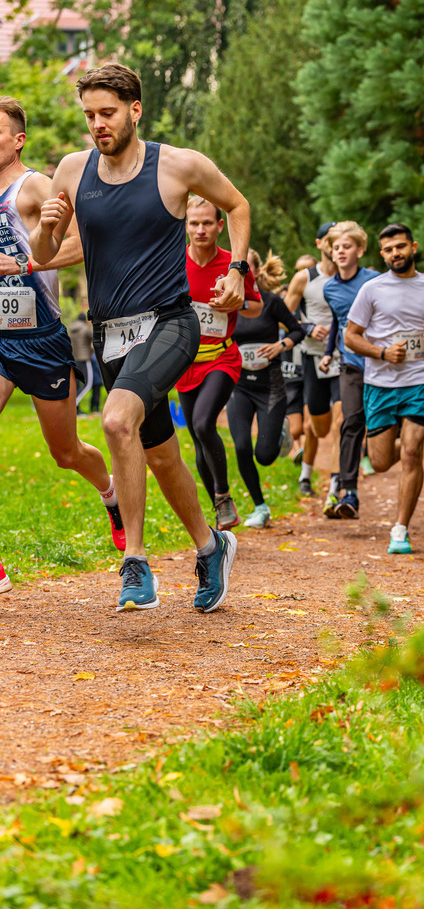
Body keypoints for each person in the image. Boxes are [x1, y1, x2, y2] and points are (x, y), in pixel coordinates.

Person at [34, 62, 250, 614]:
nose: (97, 125)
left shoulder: (177, 165)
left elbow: (238, 205)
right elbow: (41, 254)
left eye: (107, 113)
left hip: (170, 323)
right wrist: (49, 225)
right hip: (109, 334)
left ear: (134, 109)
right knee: (158, 454)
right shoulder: (73, 169)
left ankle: (134, 561)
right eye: (89, 116)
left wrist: (238, 270)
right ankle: (211, 545)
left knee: (114, 420)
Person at [0, 95, 126, 595]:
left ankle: (111, 492)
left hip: (39, 337)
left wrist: (27, 264)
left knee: (66, 452)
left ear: (18, 139)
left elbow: (79, 245)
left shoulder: (34, 187)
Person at [345, 223, 424, 554]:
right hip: (380, 383)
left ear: (414, 247)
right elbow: (350, 337)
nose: (396, 254)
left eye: (401, 247)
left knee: (411, 450)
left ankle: (400, 529)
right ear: (382, 253)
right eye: (389, 249)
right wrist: (381, 352)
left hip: (421, 377)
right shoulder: (372, 289)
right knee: (379, 462)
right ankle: (373, 452)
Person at [175, 197, 261, 531]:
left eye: (207, 223)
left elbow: (256, 306)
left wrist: (235, 304)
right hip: (185, 362)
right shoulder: (173, 261)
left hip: (222, 358)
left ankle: (223, 495)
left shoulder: (234, 264)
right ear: (185, 226)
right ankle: (220, 508)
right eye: (194, 223)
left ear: (220, 225)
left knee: (201, 422)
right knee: (200, 438)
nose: (200, 229)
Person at [228, 248, 306, 527]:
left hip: (270, 387)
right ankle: (260, 506)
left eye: (246, 269)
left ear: (257, 273)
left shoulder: (271, 302)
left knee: (265, 456)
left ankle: (280, 430)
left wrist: (280, 345)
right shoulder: (228, 304)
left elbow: (298, 330)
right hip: (239, 386)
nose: (240, 275)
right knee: (240, 446)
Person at [318, 221, 379, 518]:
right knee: (350, 422)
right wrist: (329, 353)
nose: (340, 252)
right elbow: (337, 323)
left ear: (360, 250)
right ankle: (349, 491)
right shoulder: (330, 288)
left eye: (347, 246)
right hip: (351, 364)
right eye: (336, 247)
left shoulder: (375, 281)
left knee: (379, 425)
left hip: (381, 365)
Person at [285, 224, 342, 508]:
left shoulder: (357, 279)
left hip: (346, 360)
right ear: (320, 243)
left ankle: (336, 485)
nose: (336, 247)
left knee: (342, 422)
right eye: (331, 241)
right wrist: (308, 328)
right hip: (314, 358)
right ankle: (306, 474)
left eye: (342, 241)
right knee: (317, 426)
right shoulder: (304, 278)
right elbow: (283, 317)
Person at [68, 311, 94, 413]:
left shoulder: (71, 329)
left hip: (74, 359)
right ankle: (74, 404)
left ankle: (76, 409)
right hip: (84, 359)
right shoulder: (85, 328)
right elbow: (94, 337)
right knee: (88, 383)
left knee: (76, 384)